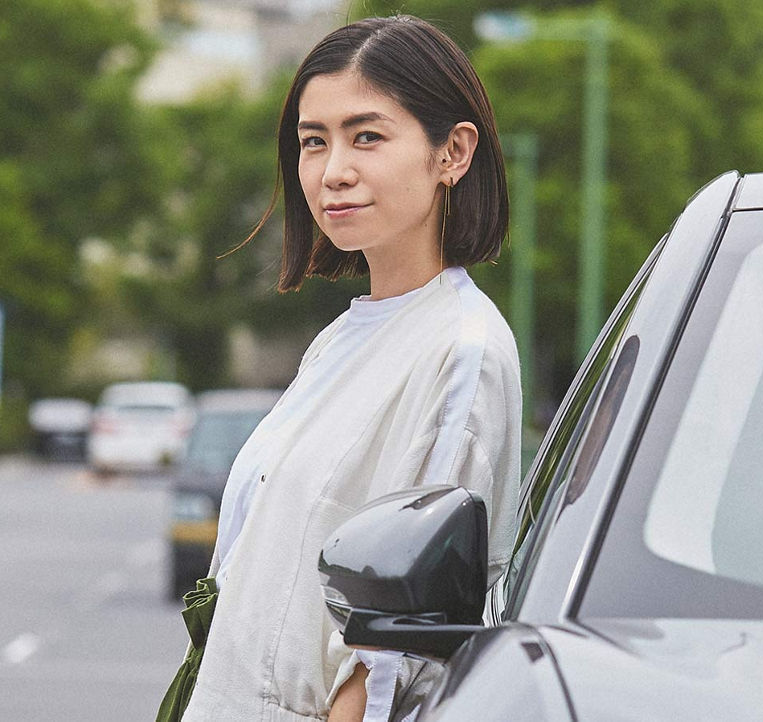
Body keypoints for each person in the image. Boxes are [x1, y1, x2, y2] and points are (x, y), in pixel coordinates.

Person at [160, 15, 522, 722]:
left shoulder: (460, 351)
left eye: (367, 136)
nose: (333, 172)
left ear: (452, 152)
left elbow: (402, 638)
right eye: (312, 142)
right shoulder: (344, 339)